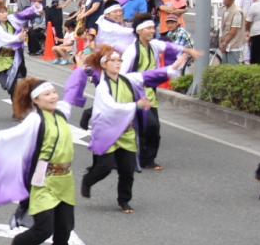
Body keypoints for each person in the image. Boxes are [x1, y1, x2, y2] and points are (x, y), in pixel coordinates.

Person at [0, 72, 85, 245]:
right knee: (44, 228)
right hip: (43, 180)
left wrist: (81, 70)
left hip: (65, 179)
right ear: (36, 100)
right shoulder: (34, 119)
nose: (52, 96)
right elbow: (16, 133)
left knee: (64, 230)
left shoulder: (61, 113)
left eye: (53, 92)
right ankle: (19, 244)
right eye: (46, 94)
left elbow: (72, 92)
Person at [80, 45, 188, 213]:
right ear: (104, 64)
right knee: (104, 167)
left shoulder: (128, 79)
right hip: (107, 133)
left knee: (127, 170)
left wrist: (175, 65)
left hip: (127, 132)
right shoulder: (103, 86)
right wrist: (136, 105)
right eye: (113, 60)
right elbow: (111, 107)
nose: (117, 63)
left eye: (119, 60)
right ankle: (88, 180)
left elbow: (151, 75)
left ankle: (124, 201)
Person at [121, 15, 199, 170]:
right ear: (139, 31)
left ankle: (147, 160)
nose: (152, 30)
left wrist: (185, 51)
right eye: (148, 28)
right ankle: (132, 160)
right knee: (145, 127)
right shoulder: (131, 51)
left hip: (150, 94)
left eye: (153, 28)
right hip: (136, 95)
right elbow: (122, 75)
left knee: (153, 129)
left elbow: (169, 47)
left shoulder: (153, 45)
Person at [0, 2, 41, 105]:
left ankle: (16, 109)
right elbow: (5, 39)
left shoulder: (11, 19)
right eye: (1, 12)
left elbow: (23, 14)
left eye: (5, 11)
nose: (5, 14)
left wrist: (34, 8)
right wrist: (18, 38)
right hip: (0, 57)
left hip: (14, 57)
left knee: (14, 85)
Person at [218, 0, 246, 64]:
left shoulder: (237, 12)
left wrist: (224, 43)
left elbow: (233, 31)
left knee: (232, 68)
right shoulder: (225, 10)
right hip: (226, 44)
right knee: (225, 68)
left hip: (233, 45)